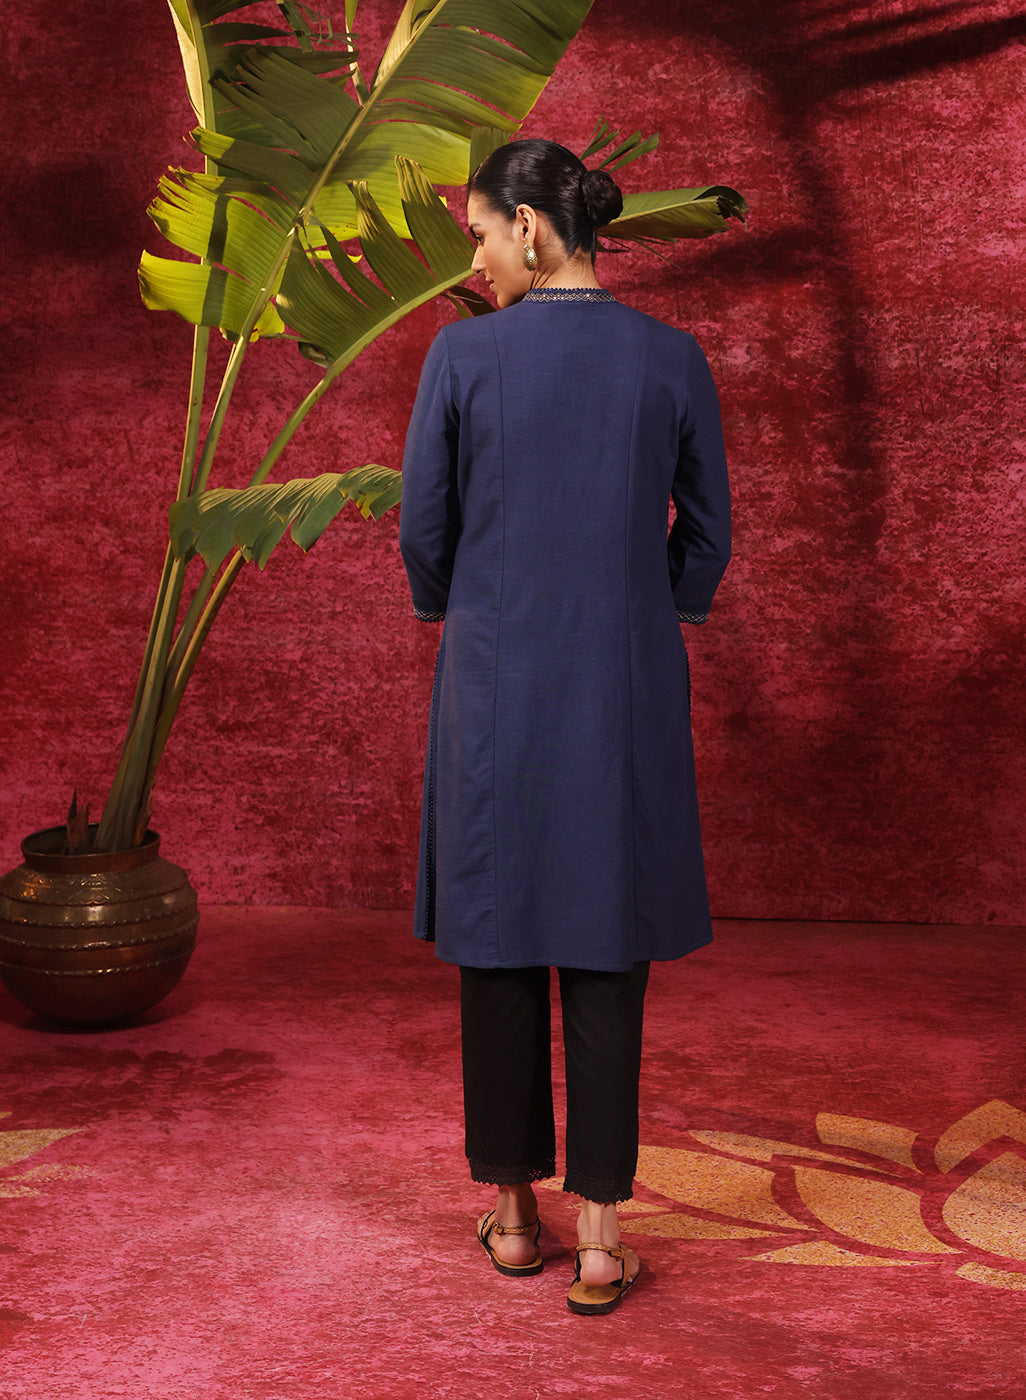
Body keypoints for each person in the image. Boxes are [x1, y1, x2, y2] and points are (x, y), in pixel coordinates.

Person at [398, 138, 731, 1316]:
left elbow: (424, 528)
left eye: (482, 235)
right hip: (622, 682)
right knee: (604, 938)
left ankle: (513, 1214)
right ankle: (599, 1235)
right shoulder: (671, 357)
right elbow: (709, 533)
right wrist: (649, 606)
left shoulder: (461, 356)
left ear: (531, 228)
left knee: (497, 936)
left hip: (494, 679)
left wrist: (471, 607)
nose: (477, 260)